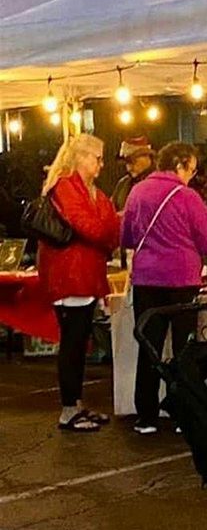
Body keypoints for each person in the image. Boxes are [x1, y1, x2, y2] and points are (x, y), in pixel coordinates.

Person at [121, 141, 207, 433]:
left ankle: (147, 416)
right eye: (191, 169)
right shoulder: (187, 196)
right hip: (181, 280)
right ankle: (183, 412)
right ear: (180, 164)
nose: (192, 175)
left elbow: (126, 236)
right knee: (183, 348)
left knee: (149, 346)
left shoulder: (137, 191)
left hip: (145, 279)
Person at [37, 134, 121, 432]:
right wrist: (106, 232)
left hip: (82, 275)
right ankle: (69, 408)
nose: (100, 165)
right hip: (69, 276)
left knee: (78, 341)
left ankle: (75, 404)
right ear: (81, 157)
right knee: (72, 343)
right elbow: (92, 227)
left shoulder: (85, 190)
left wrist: (105, 232)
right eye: (97, 158)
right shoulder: (66, 187)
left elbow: (106, 227)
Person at [111, 137, 154, 213]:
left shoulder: (158, 184)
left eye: (132, 162)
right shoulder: (123, 184)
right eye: (126, 163)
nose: (129, 168)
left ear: (146, 157)